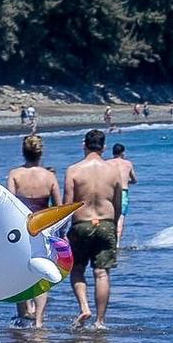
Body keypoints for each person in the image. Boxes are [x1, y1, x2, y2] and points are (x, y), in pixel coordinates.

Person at [63, 128, 125, 330]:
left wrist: (61, 231)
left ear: (84, 145)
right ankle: (100, 321)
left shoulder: (73, 170)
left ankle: (84, 307)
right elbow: (118, 203)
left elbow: (67, 205)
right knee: (101, 273)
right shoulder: (114, 171)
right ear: (104, 147)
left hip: (81, 223)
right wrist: (114, 227)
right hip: (106, 223)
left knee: (78, 269)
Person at [5, 135, 61, 328]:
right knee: (42, 274)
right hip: (43, 229)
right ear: (41, 152)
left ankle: (22, 314)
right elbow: (59, 207)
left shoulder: (14, 174)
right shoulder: (49, 176)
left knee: (20, 273)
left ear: (23, 151)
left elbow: (8, 205)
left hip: (21, 230)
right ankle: (38, 321)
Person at [109, 142, 136, 245]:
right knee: (120, 218)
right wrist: (126, 181)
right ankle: (117, 244)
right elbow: (134, 180)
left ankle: (108, 242)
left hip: (110, 192)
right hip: (123, 192)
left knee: (110, 218)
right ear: (123, 153)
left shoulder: (108, 163)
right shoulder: (128, 164)